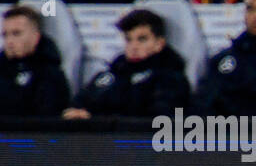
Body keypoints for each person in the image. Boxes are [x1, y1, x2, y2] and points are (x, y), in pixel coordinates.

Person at [62, 9, 191, 118]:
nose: (133, 46)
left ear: (159, 44)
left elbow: (157, 118)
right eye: (128, 39)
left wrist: (95, 117)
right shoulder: (112, 73)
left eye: (142, 39)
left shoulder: (171, 79)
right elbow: (79, 102)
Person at [0, 6, 70, 116]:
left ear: (36, 36)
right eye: (5, 35)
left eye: (16, 33)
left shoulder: (51, 74)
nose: (9, 41)